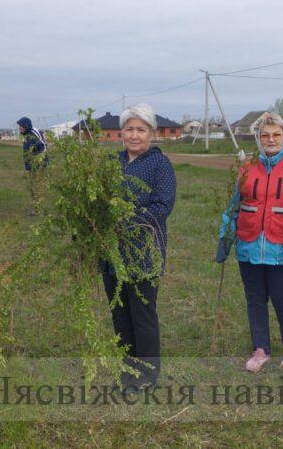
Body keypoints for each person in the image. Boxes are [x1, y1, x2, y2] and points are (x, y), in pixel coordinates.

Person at [216, 113, 283, 373]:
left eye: (276, 134)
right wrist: (225, 237)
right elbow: (234, 206)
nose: (271, 139)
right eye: (265, 135)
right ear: (258, 138)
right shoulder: (247, 167)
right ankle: (260, 349)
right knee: (254, 299)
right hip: (249, 245)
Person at [101, 103, 176, 391]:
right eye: (129, 129)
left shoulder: (160, 164)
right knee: (120, 311)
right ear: (122, 132)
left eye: (140, 130)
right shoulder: (114, 163)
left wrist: (127, 221)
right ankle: (127, 366)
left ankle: (147, 373)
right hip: (112, 253)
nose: (134, 135)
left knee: (142, 313)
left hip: (144, 253)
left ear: (152, 134)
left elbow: (162, 206)